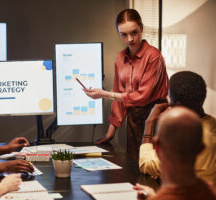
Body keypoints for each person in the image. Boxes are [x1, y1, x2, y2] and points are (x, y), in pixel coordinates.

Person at [84, 8, 168, 160]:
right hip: (133, 121)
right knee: (135, 168)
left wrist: (104, 94)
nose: (130, 39)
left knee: (154, 168)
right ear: (119, 34)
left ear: (141, 28)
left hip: (156, 119)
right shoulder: (120, 58)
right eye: (124, 34)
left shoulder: (154, 56)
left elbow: (143, 96)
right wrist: (111, 132)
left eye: (134, 32)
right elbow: (118, 92)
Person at [139, 71, 216, 184]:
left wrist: (149, 123)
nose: (167, 98)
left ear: (178, 105)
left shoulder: (182, 136)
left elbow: (145, 164)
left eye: (169, 95)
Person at [134, 107, 216, 200]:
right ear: (201, 149)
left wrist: (149, 123)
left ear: (157, 147)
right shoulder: (211, 193)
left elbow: (145, 164)